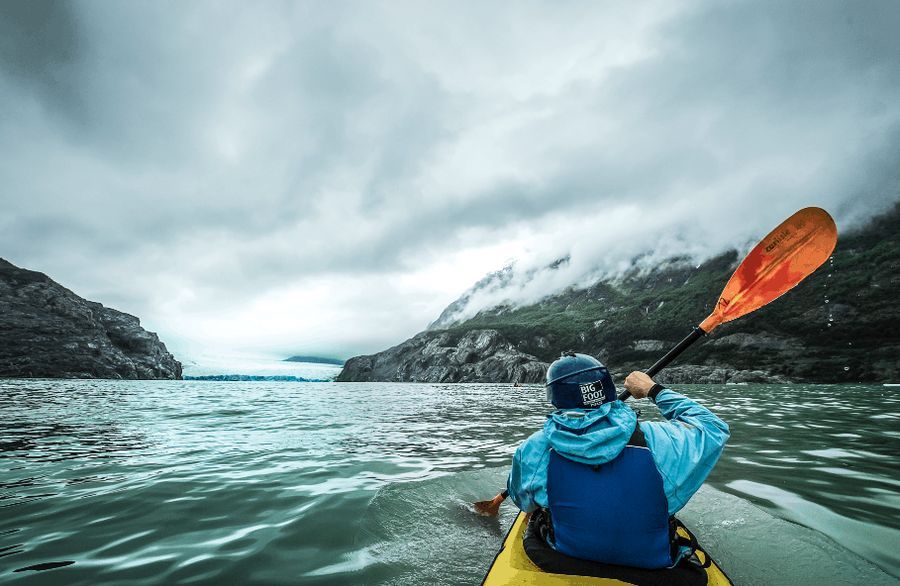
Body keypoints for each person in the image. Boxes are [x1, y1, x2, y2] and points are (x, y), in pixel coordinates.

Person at [506, 351, 729, 569]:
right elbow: (714, 428)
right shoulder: (658, 439)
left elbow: (524, 503)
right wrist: (653, 389)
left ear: (554, 396)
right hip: (653, 565)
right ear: (608, 388)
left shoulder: (533, 448)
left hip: (568, 556)